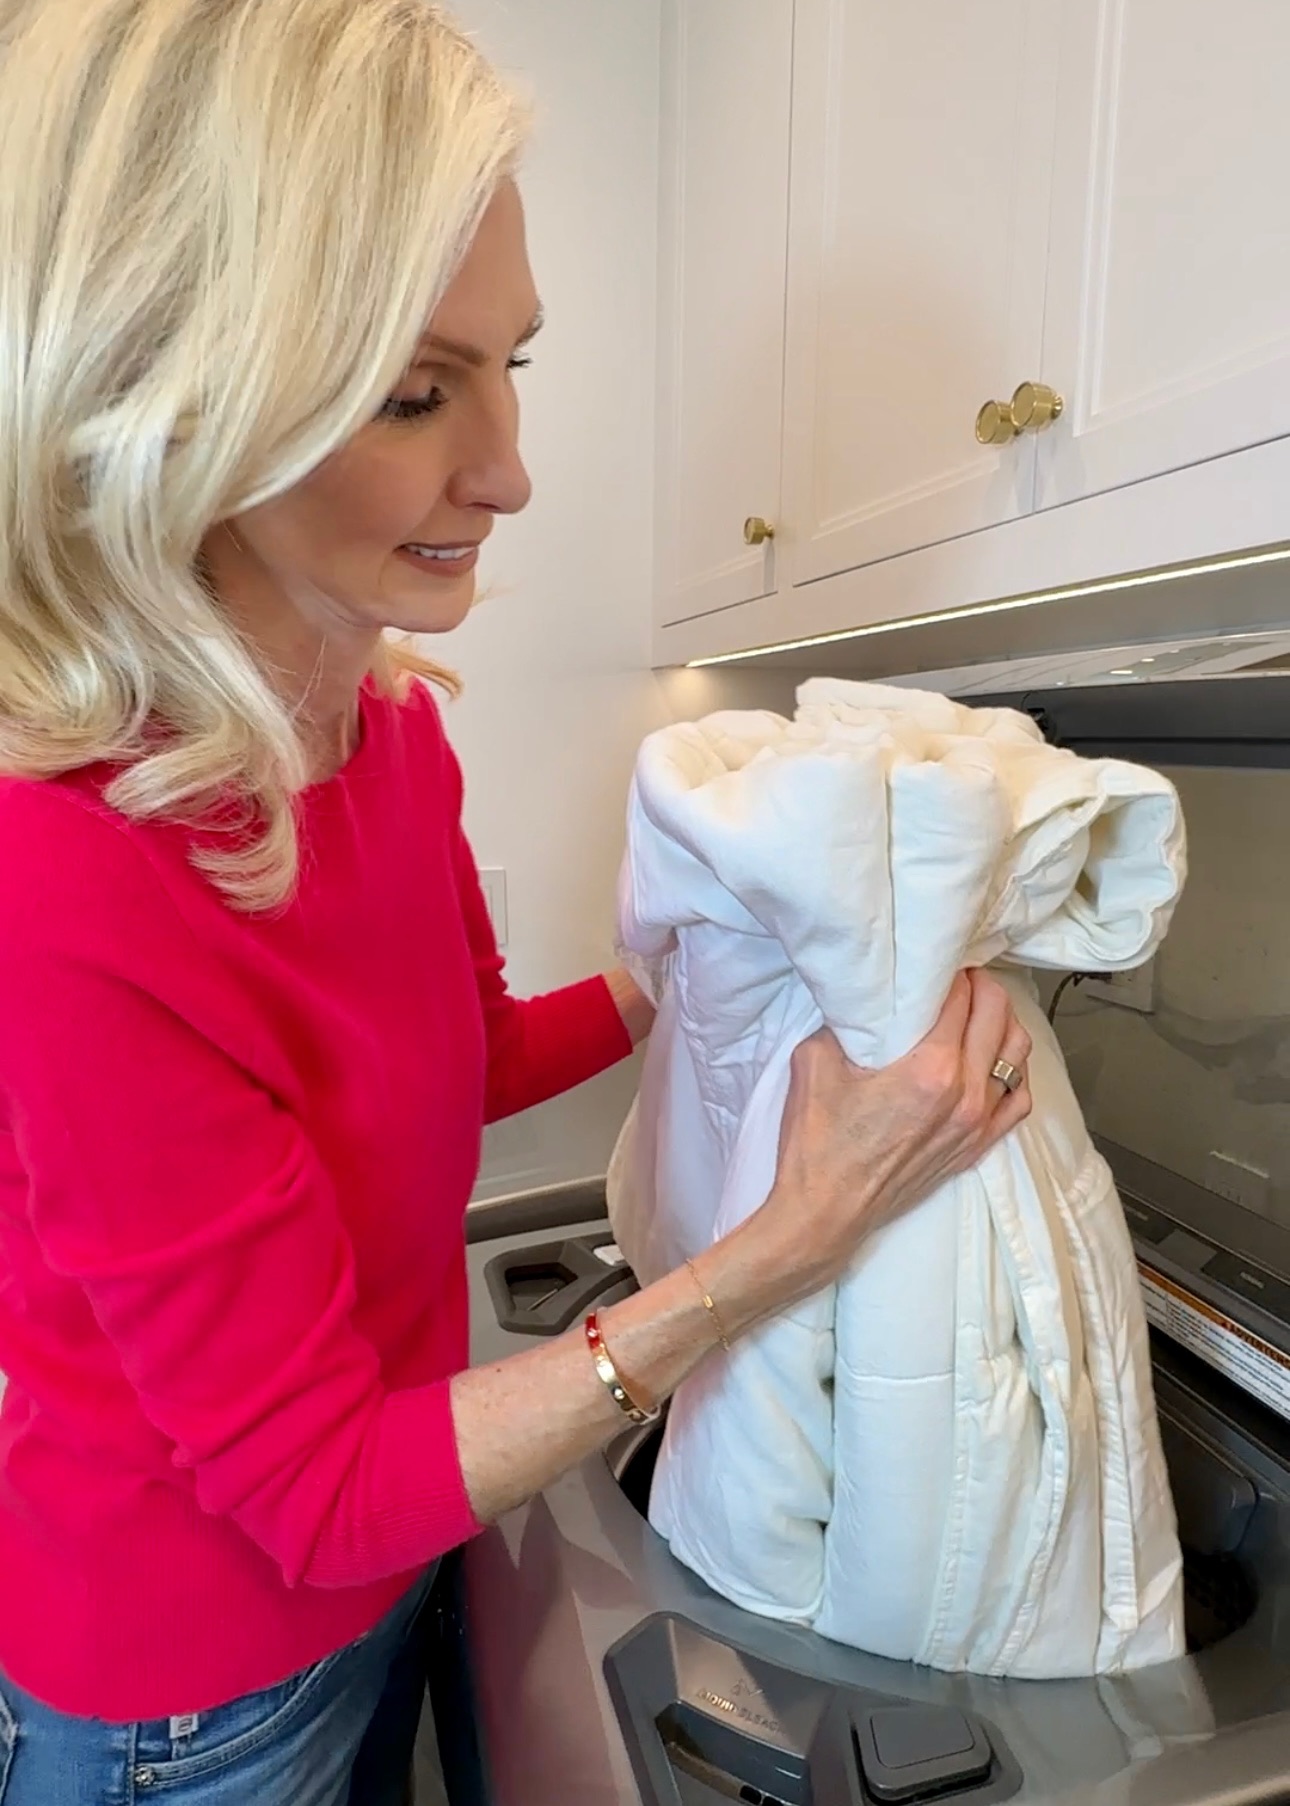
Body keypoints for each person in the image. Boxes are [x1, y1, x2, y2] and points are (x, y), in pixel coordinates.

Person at [0, 2, 1034, 1800]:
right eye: (415, 392)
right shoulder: (64, 872)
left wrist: (692, 965)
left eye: (512, 365)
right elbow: (311, 1486)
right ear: (172, 400)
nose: (509, 470)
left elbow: (461, 1059)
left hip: (390, 1564)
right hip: (189, 1695)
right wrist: (787, 1241)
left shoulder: (387, 727)